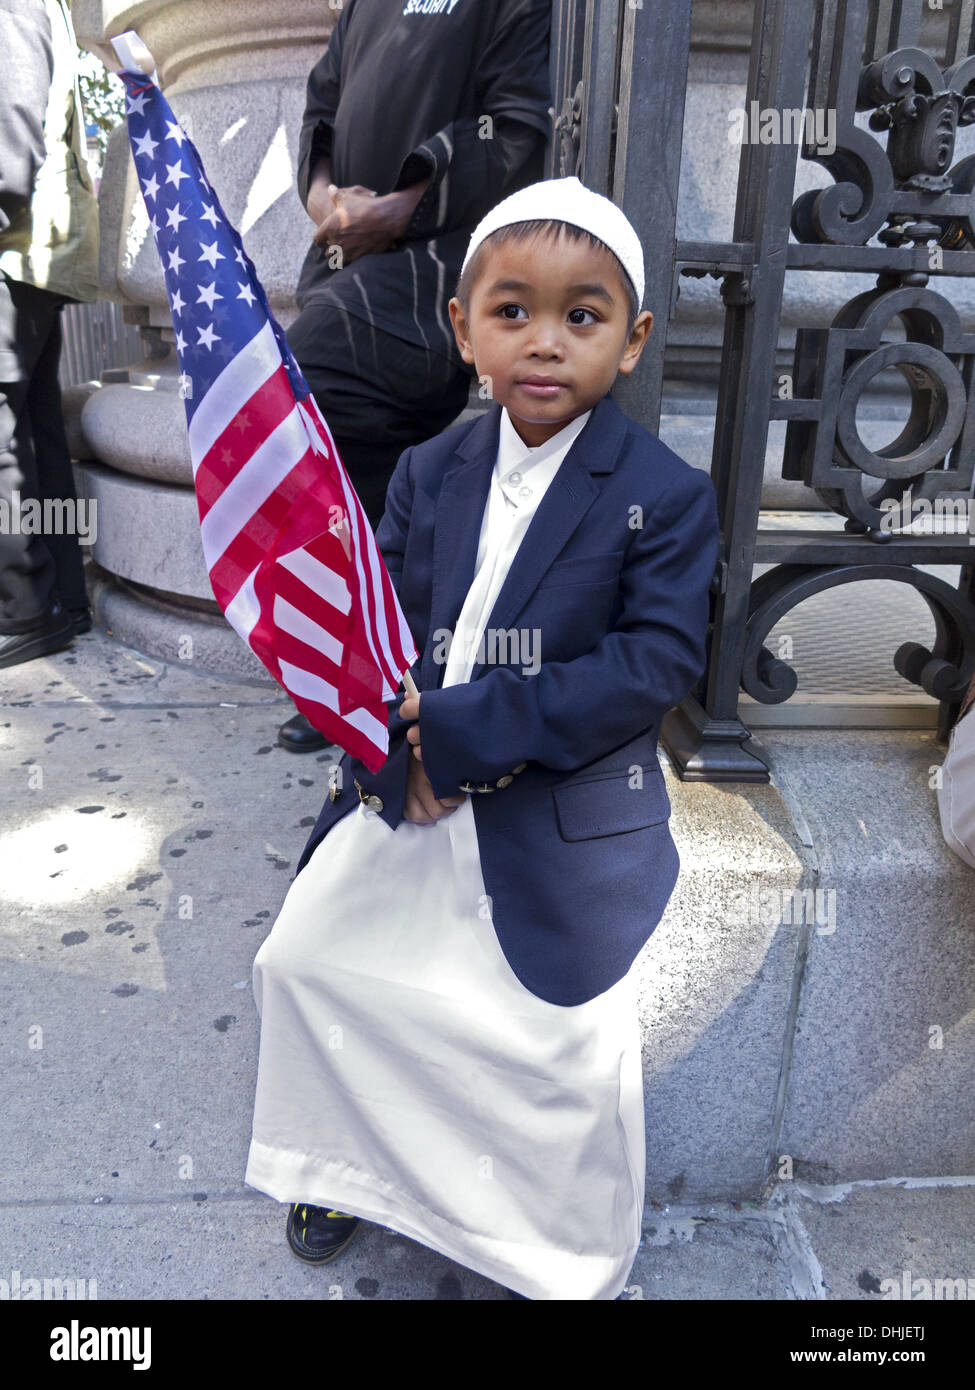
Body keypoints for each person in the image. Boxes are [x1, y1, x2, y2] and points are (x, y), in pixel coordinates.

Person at [244, 176, 720, 1301]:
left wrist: (462, 732)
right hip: (411, 784)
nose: (545, 343)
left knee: (553, 1046)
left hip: (547, 808)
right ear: (465, 331)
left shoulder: (664, 493)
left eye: (582, 316)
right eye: (513, 312)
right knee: (305, 961)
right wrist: (386, 755)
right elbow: (380, 631)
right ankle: (343, 1161)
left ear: (634, 340)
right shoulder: (428, 470)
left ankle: (532, 1240)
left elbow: (651, 666)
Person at [277, 0, 553, 751]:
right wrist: (327, 202)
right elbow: (320, 108)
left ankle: (377, 664)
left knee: (320, 391)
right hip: (347, 259)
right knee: (308, 421)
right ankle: (365, 663)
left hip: (444, 259)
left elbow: (518, 123)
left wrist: (402, 206)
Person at [0, 0, 98, 669]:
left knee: (8, 432)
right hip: (35, 250)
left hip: (15, 246)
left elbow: (11, 131)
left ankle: (22, 611)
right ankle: (62, 598)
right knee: (33, 426)